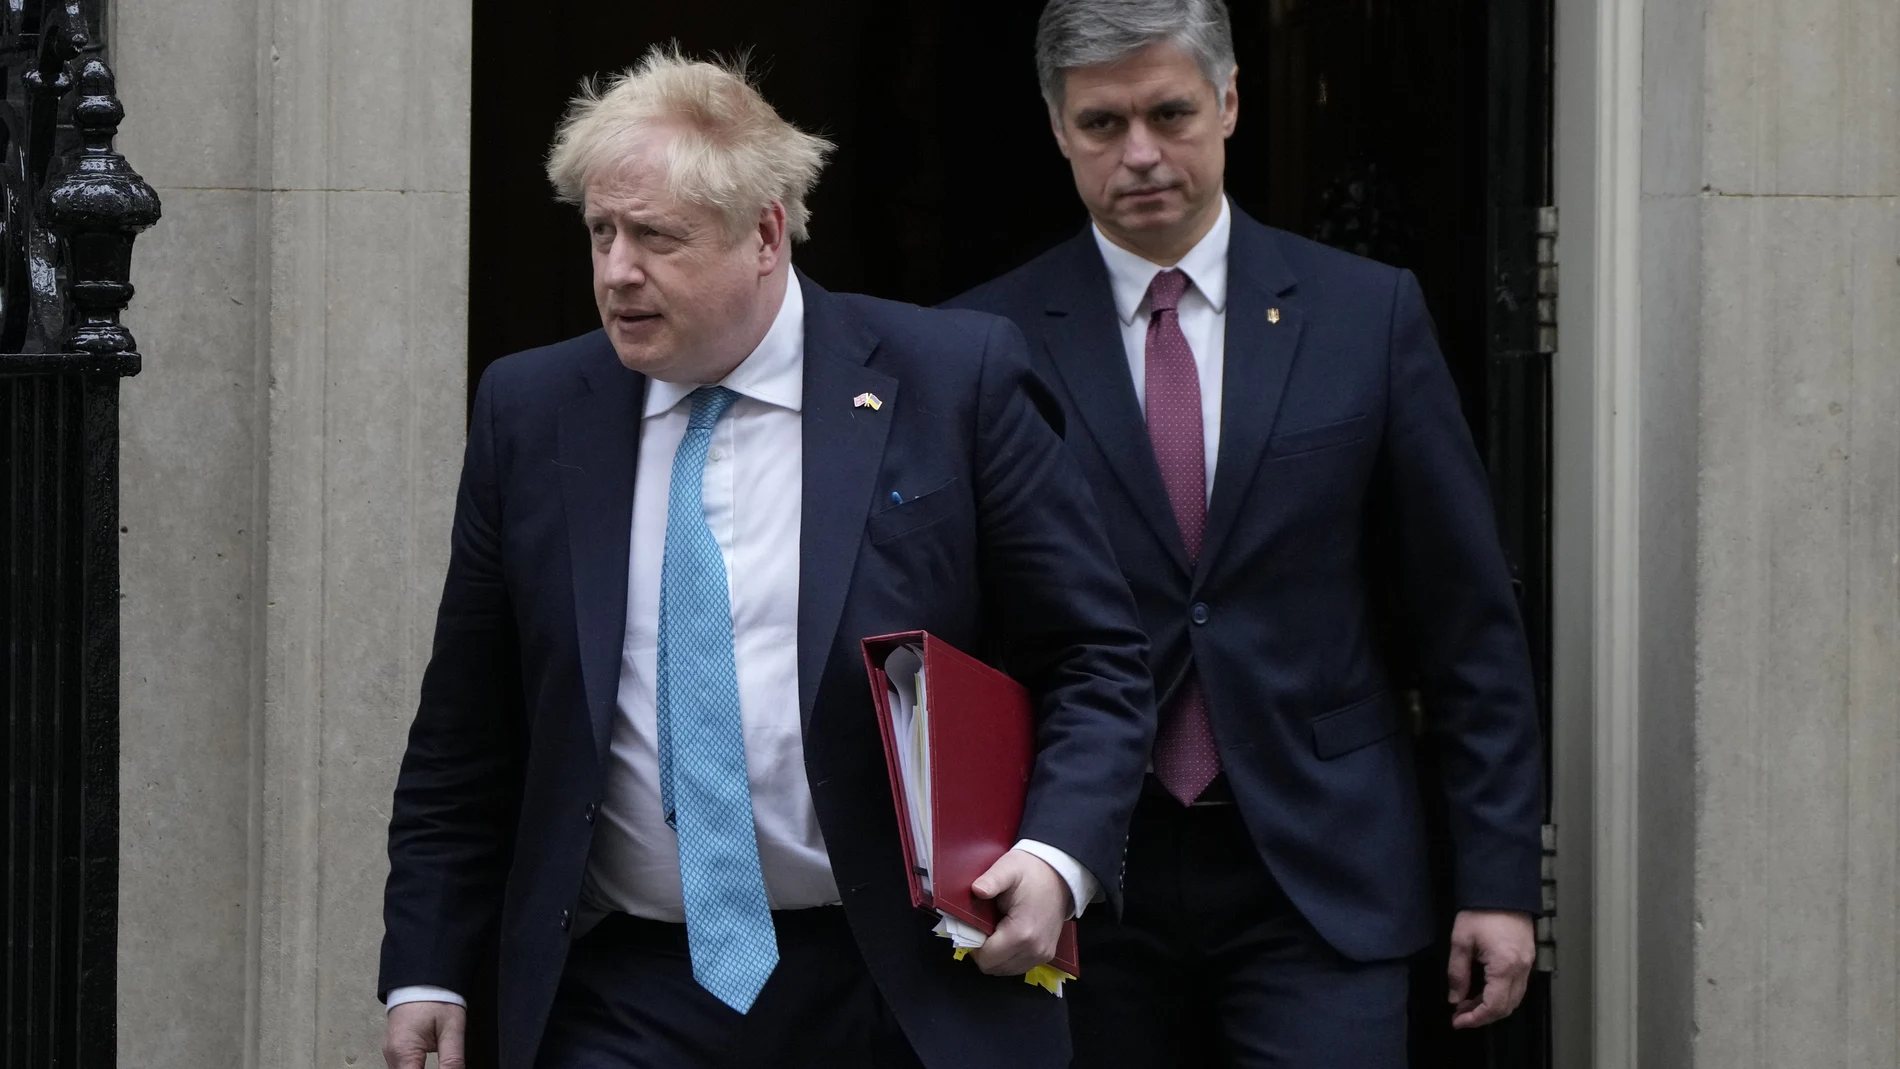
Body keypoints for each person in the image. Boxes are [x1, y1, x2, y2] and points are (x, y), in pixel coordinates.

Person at [377, 46, 1155, 1069]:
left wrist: (1057, 857)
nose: (617, 271)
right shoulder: (532, 413)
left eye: (656, 236)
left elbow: (1095, 657)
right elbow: (465, 731)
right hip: (628, 988)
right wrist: (426, 963)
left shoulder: (949, 379)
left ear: (765, 234)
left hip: (903, 980)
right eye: (601, 232)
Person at [947, 1, 1545, 1065]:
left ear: (1228, 102)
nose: (1139, 153)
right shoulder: (983, 342)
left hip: (1320, 870)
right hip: (1081, 866)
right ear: (1055, 128)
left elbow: (1466, 622)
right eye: (1100, 124)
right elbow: (953, 623)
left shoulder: (1368, 315)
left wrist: (1496, 879)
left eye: (1170, 112)